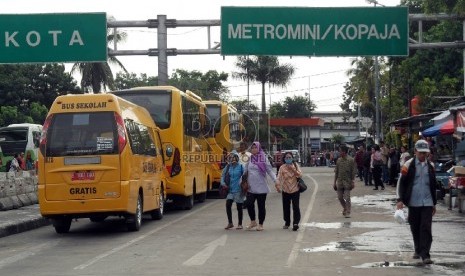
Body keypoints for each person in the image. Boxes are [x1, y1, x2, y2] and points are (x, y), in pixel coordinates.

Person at [396, 139, 437, 265]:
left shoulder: (431, 166)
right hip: (413, 202)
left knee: (426, 228)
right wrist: (399, 200)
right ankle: (418, 249)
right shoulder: (408, 165)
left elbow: (433, 185)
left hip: (427, 202)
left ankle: (425, 255)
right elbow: (400, 183)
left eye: (425, 153)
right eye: (421, 153)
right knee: (415, 227)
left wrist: (434, 203)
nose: (423, 155)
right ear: (415, 152)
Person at [244, 141, 278, 231]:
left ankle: (261, 224)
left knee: (261, 206)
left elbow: (270, 171)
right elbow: (245, 170)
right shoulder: (250, 158)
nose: (254, 149)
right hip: (251, 187)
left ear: (259, 148)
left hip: (261, 186)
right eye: (252, 148)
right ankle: (253, 221)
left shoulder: (263, 158)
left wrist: (276, 180)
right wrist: (241, 180)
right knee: (249, 203)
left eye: (255, 147)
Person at [276, 151, 302, 231]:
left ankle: (295, 223)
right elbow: (279, 177)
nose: (288, 159)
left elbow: (300, 175)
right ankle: (287, 222)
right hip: (285, 190)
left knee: (296, 207)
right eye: (286, 158)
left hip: (295, 189)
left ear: (292, 158)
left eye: (290, 158)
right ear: (284, 159)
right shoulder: (282, 167)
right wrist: (277, 185)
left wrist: (293, 169)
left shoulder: (295, 165)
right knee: (286, 207)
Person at [220, 151, 245, 230]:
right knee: (228, 204)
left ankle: (240, 224)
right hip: (230, 190)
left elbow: (245, 176)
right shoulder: (228, 167)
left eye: (234, 157)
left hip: (239, 190)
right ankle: (230, 223)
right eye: (231, 158)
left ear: (237, 158)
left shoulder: (241, 166)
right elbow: (222, 176)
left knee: (239, 207)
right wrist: (223, 183)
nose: (233, 159)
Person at [333, 145, 356, 218]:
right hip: (339, 182)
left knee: (347, 197)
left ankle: (348, 211)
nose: (339, 152)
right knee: (340, 197)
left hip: (347, 182)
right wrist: (334, 182)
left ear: (344, 151)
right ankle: (345, 208)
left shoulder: (351, 160)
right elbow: (336, 172)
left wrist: (352, 181)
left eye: (340, 151)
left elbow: (353, 171)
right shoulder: (339, 160)